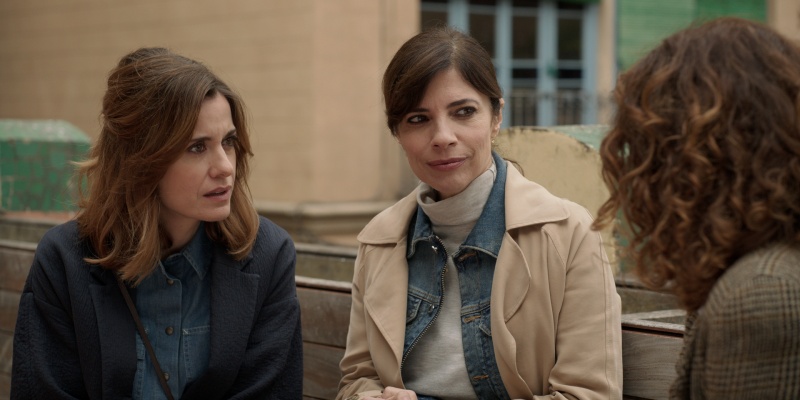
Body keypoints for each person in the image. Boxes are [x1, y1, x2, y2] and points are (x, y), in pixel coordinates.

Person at [337, 27, 622, 400]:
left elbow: (589, 394)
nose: (443, 136)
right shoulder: (380, 239)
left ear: (496, 116)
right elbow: (357, 380)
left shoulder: (569, 233)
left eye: (464, 112)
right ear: (398, 134)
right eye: (418, 119)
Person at [10, 47, 303, 399]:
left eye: (228, 142)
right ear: (141, 161)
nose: (225, 166)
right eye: (197, 147)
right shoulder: (65, 260)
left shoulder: (268, 255)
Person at [593, 17, 800, 399]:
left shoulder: (761, 290)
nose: (639, 168)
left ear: (691, 157)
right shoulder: (750, 261)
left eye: (649, 145)